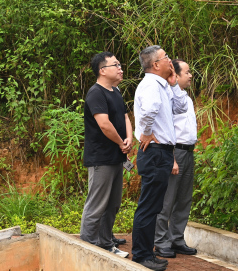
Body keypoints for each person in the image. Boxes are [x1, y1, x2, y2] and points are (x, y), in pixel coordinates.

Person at [131, 46, 188, 271]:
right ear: (155, 65)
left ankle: (146, 253)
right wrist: (145, 132)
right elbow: (149, 110)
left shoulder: (162, 85)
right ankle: (141, 255)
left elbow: (181, 107)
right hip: (154, 151)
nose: (170, 61)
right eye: (165, 58)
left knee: (154, 206)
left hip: (161, 151)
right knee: (148, 206)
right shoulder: (151, 85)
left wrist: (174, 84)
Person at [80, 52, 132, 258]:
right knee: (97, 204)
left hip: (117, 156)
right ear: (102, 70)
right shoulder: (96, 93)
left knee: (113, 204)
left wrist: (129, 138)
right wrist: (121, 143)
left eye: (120, 64)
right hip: (101, 158)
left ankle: (105, 244)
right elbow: (104, 123)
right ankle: (87, 247)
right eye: (115, 64)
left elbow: (125, 116)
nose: (120, 68)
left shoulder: (115, 91)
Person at [154, 59, 198, 258]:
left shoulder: (185, 98)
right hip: (175, 152)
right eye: (187, 72)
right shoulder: (167, 98)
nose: (190, 76)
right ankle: (161, 241)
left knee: (183, 199)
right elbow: (165, 129)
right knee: (168, 199)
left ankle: (176, 239)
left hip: (188, 152)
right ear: (176, 76)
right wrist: (171, 158)